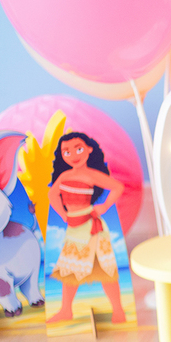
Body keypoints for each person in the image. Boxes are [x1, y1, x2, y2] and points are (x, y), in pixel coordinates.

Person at [47, 132, 127, 324]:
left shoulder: (92, 175)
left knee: (105, 270)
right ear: (62, 155)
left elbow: (117, 187)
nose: (73, 155)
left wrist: (104, 206)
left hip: (93, 228)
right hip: (74, 227)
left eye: (78, 149)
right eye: (67, 151)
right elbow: (52, 195)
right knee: (69, 270)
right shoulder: (64, 176)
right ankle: (66, 310)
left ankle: (118, 310)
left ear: (89, 149)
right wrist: (63, 214)